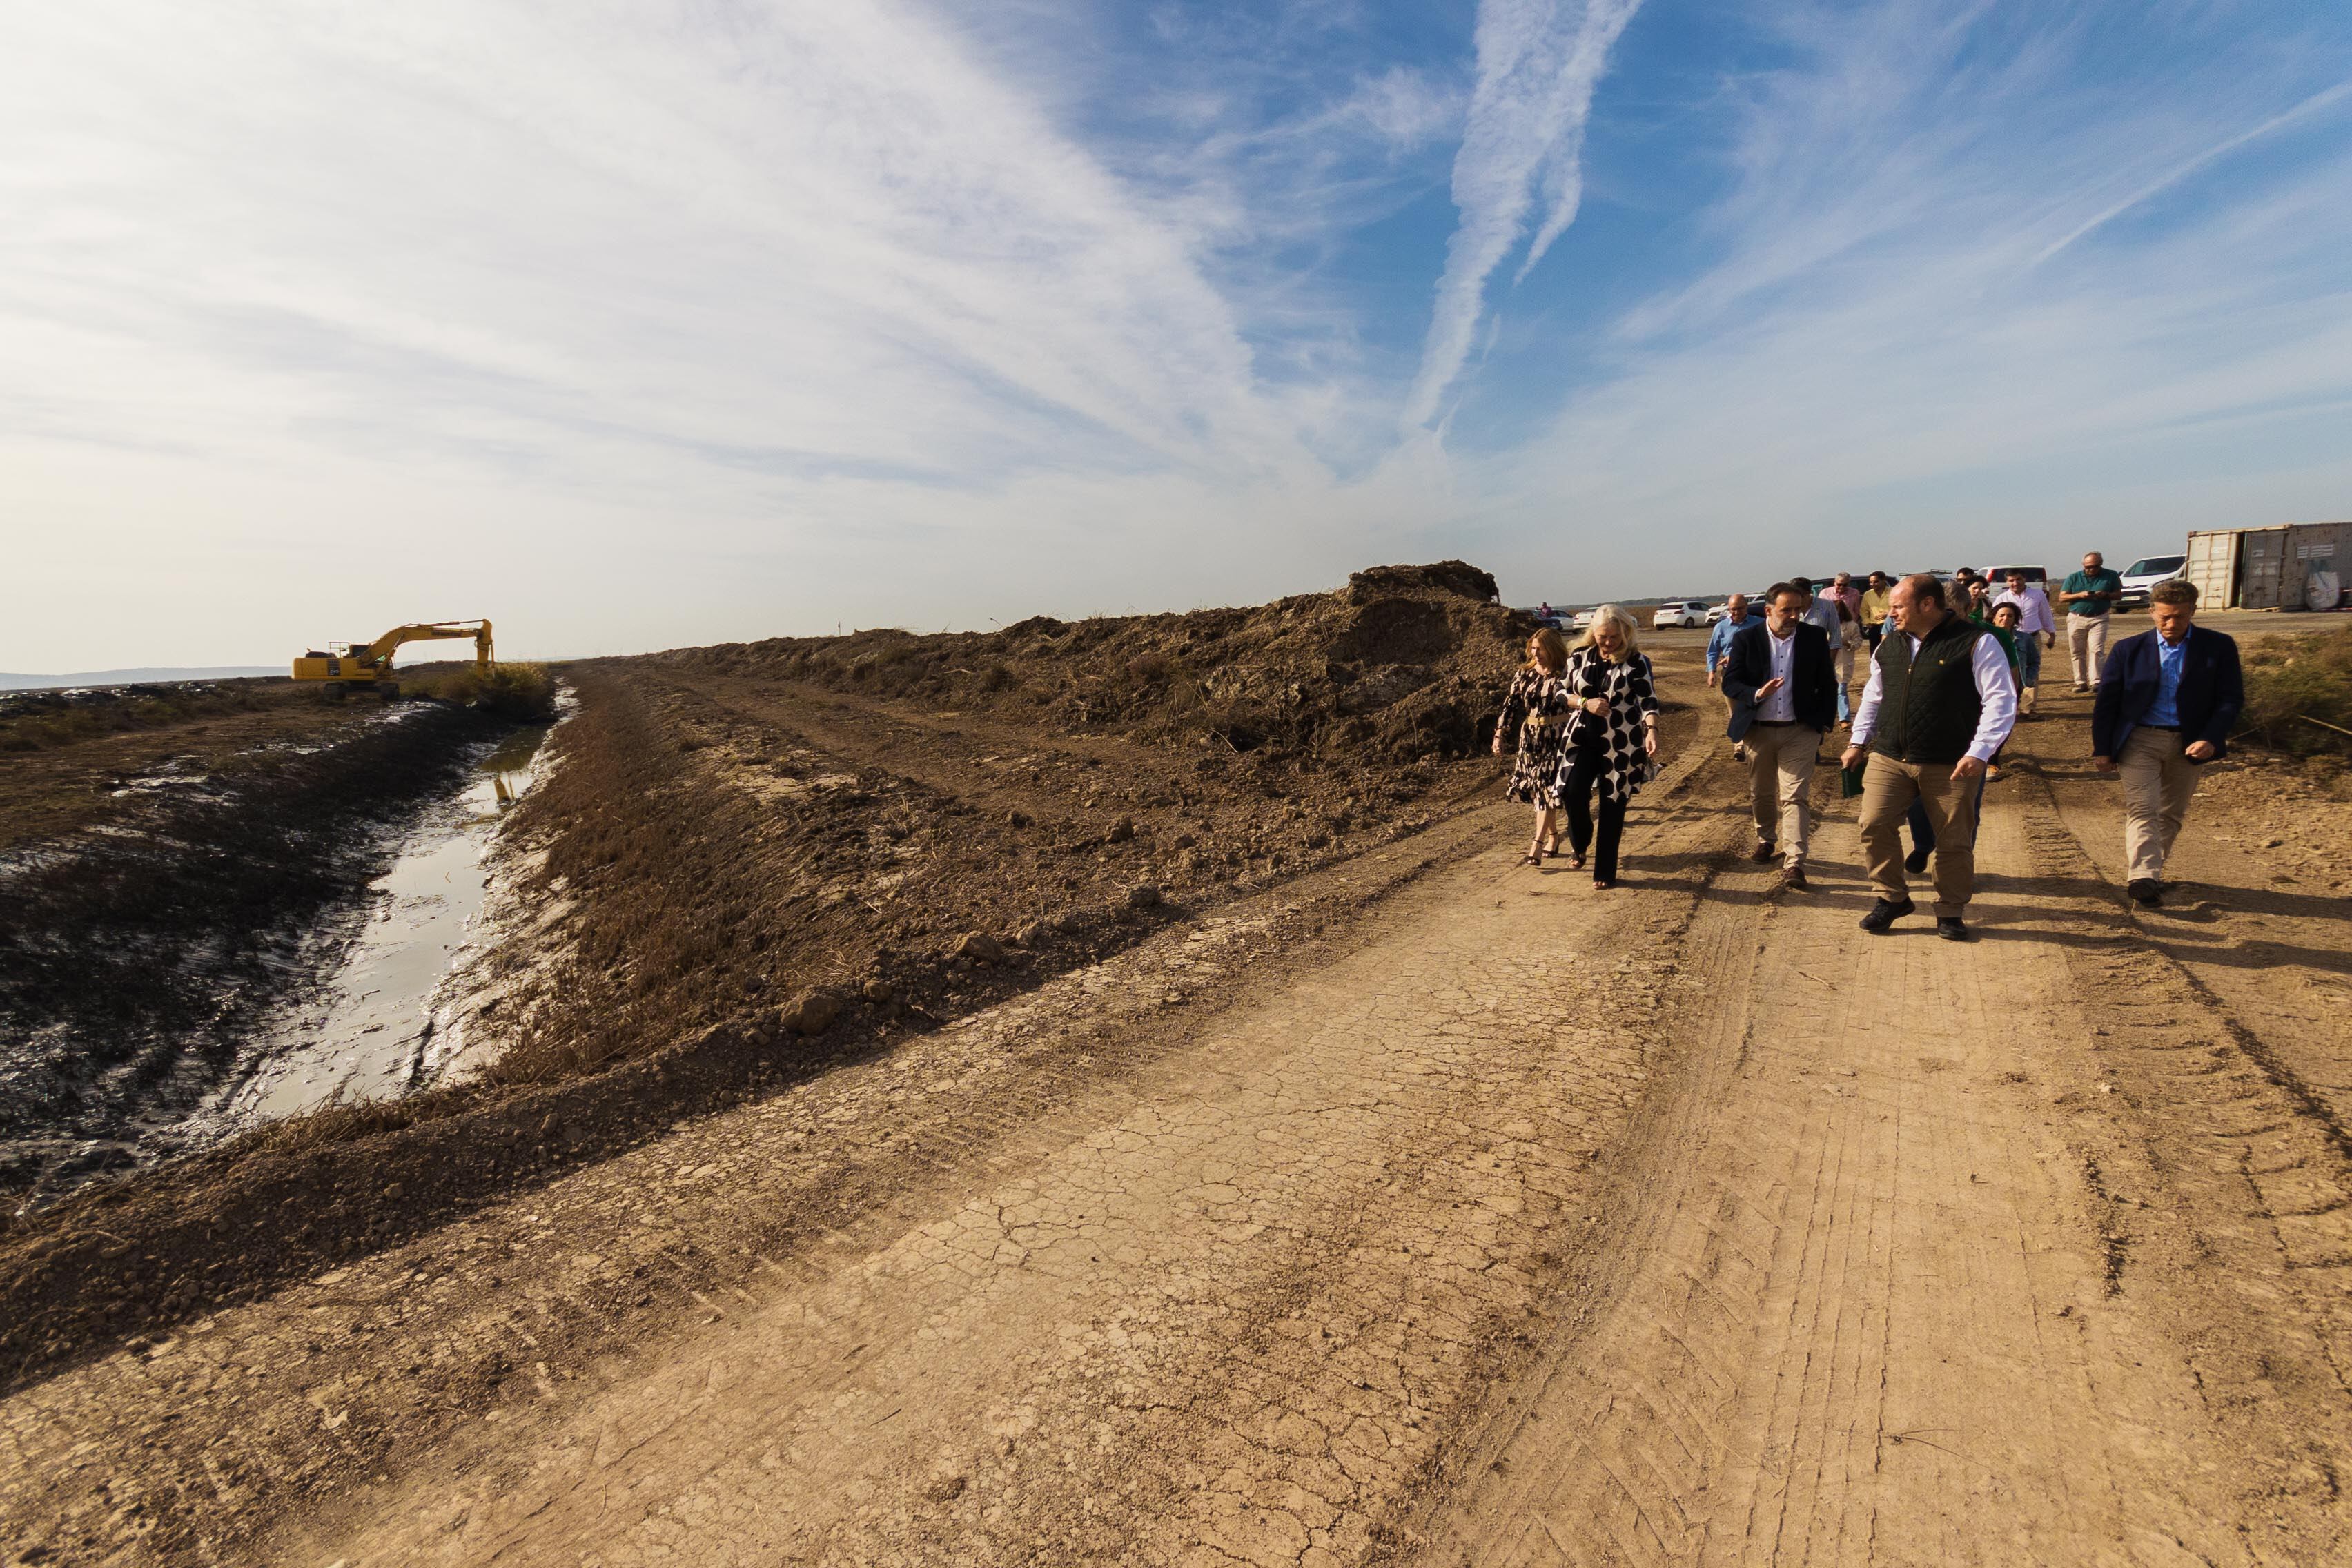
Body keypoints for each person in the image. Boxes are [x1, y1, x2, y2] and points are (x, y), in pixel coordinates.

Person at [1841, 574, 2017, 940]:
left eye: (1898, 606)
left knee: (1953, 840)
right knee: (1873, 823)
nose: (1890, 612)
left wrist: (1980, 752)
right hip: (1889, 756)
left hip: (1951, 762)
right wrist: (1858, 742)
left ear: (1927, 605)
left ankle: (1950, 911)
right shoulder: (1888, 645)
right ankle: (1891, 898)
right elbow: (1874, 697)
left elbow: (2000, 700)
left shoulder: (1976, 642)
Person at [2091, 580, 2244, 907]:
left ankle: (2151, 872)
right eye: (2164, 617)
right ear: (2151, 613)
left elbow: (2230, 700)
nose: (2171, 624)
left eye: (2179, 617)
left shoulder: (2218, 647)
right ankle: (2143, 877)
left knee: (2171, 814)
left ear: (2193, 612)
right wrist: (2102, 748)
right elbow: (2107, 703)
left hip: (2190, 743)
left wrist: (2211, 738)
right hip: (2140, 740)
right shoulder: (2127, 650)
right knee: (2142, 808)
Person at [1720, 582, 1837, 889]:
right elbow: (1730, 684)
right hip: (1758, 730)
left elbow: (1827, 682)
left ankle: (1795, 861)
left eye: (1798, 610)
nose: (1794, 616)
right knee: (1762, 792)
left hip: (1800, 731)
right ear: (1769, 610)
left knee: (1795, 796)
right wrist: (1756, 693)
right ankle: (1766, 839)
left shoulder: (1813, 638)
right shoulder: (1747, 639)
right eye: (1787, 610)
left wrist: (1824, 723)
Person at [1555, 605, 1661, 889]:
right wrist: (1583, 702)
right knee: (1573, 793)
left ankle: (1605, 872)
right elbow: (1560, 692)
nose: (1608, 642)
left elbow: (1647, 700)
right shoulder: (1579, 657)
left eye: (1614, 637)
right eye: (1603, 636)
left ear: (1625, 633)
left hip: (1621, 745)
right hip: (1581, 740)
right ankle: (1581, 840)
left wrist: (1651, 730)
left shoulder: (1636, 662)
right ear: (1593, 633)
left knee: (1613, 805)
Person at [1492, 628, 1573, 865]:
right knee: (1540, 790)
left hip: (1557, 737)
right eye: (1533, 648)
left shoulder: (1565, 674)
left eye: (1541, 649)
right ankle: (1554, 837)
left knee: (1547, 789)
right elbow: (1510, 707)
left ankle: (1536, 844)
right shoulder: (1524, 674)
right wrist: (1499, 735)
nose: (1536, 653)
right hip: (1530, 738)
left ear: (1553, 649)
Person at [2057, 550, 2125, 693]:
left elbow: (2119, 595)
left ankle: (2096, 681)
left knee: (2096, 649)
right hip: (2077, 617)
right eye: (2088, 567)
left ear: (2100, 564)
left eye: (2095, 566)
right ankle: (2080, 681)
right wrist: (2080, 595)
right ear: (2083, 565)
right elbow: (2062, 597)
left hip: (2099, 617)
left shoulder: (2111, 575)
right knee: (2077, 651)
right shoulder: (2074, 577)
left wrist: (2106, 594)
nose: (2091, 569)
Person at [1992, 569, 2056, 716]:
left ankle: (2028, 707)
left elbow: (2045, 615)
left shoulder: (2038, 595)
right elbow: (1993, 618)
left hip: (2032, 637)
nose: (2015, 583)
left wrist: (2051, 634)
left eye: (2018, 579)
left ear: (2025, 579)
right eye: (2011, 580)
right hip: (2009, 638)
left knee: (2031, 671)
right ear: (2007, 582)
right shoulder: (2002, 598)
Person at [1792, 573, 1850, 723]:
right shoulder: (1790, 608)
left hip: (1819, 660)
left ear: (1808, 594)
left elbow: (1835, 636)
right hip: (1792, 659)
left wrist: (1828, 663)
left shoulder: (1826, 606)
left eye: (1799, 595)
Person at [1705, 594, 1754, 756]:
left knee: (1752, 707)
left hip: (1753, 673)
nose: (1735, 613)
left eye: (1739, 609)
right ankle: (1739, 745)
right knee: (1734, 710)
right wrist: (1711, 671)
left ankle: (1753, 744)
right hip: (1730, 674)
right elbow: (1712, 651)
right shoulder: (1721, 627)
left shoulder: (1759, 624)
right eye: (1732, 610)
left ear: (1746, 607)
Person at [1859, 571, 1893, 652]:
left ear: (1883, 580)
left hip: (1889, 624)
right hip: (1874, 626)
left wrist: (1888, 614)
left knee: (1890, 648)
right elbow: (1863, 610)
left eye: (1876, 582)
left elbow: (1899, 607)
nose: (1873, 584)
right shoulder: (1868, 594)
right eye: (1871, 582)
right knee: (1875, 650)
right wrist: (1867, 623)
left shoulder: (1893, 592)